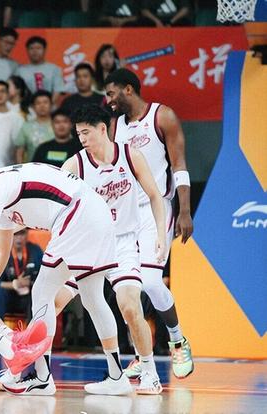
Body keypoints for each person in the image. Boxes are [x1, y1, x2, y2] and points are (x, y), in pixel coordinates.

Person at [0, 155, 133, 396]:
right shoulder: (4, 192)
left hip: (77, 214)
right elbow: (0, 253)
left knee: (41, 294)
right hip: (97, 214)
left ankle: (42, 378)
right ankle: (117, 377)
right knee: (93, 298)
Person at [55, 104, 167, 394]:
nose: (82, 139)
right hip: (88, 245)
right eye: (78, 134)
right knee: (52, 302)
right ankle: (29, 372)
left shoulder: (131, 156)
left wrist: (160, 235)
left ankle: (149, 372)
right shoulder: (74, 165)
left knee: (129, 306)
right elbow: (56, 207)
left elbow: (155, 196)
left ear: (102, 129)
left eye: (86, 132)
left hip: (123, 244)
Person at [104, 68, 194, 379]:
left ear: (128, 89)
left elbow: (179, 165)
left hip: (157, 209)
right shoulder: (115, 126)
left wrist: (185, 211)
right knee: (128, 290)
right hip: (125, 213)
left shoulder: (162, 116)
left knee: (152, 283)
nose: (108, 100)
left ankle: (178, 340)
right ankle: (142, 357)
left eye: (112, 93)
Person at [0, 228, 42, 321]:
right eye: (15, 234)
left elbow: (44, 277)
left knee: (38, 293)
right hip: (9, 297)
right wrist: (15, 284)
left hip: (29, 297)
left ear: (27, 234)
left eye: (22, 233)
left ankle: (35, 328)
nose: (19, 238)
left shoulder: (35, 250)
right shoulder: (2, 252)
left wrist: (31, 283)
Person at [15, 36, 66, 101]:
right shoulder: (20, 71)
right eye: (31, 48)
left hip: (49, 105)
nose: (35, 51)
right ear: (27, 51)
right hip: (27, 106)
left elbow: (57, 90)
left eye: (38, 48)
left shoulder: (54, 69)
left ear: (44, 50)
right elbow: (17, 92)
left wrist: (48, 105)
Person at [15, 91, 55, 164]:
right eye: (38, 103)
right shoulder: (26, 126)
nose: (42, 106)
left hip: (57, 168)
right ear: (33, 107)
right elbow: (19, 152)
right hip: (32, 168)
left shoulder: (59, 125)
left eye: (45, 102)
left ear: (51, 105)